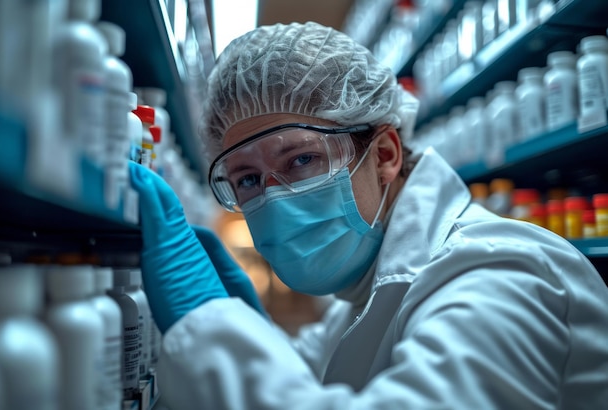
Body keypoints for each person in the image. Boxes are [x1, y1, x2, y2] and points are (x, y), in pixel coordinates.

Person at [128, 21, 608, 409]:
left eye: (301, 160)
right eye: (248, 180)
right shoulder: (360, 299)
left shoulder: (501, 273)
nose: (274, 199)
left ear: (384, 155)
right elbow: (315, 376)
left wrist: (207, 324)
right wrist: (248, 329)